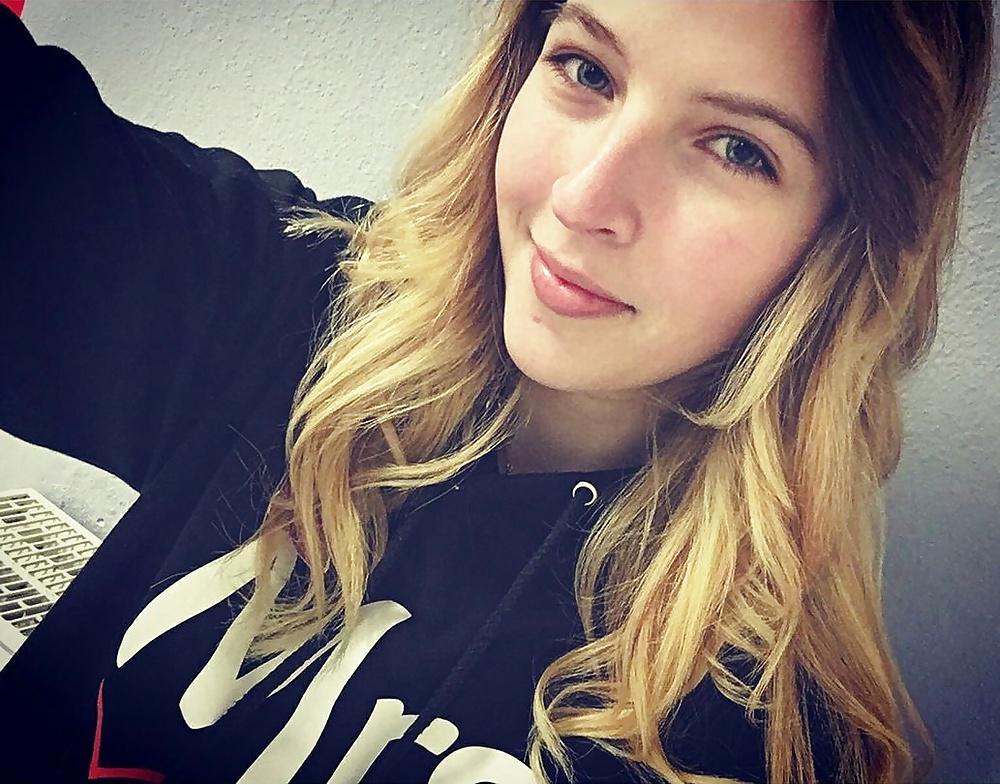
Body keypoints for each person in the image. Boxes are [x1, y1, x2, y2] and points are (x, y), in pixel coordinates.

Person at [0, 1, 992, 782]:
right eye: (587, 70)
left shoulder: (756, 733)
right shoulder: (291, 296)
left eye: (736, 146)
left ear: (839, 246)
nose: (584, 199)